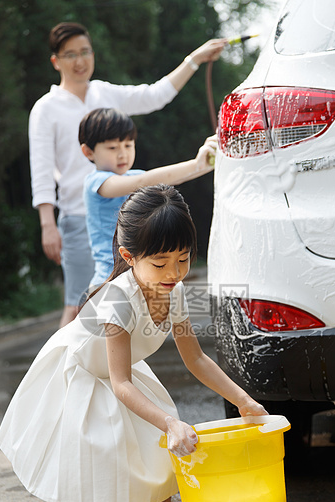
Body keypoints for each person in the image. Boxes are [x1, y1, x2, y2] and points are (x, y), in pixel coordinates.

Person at [0, 184, 268, 502]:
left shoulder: (177, 292)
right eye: (160, 263)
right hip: (86, 373)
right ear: (129, 257)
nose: (174, 273)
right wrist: (169, 421)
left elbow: (196, 359)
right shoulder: (117, 301)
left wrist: (243, 399)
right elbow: (118, 382)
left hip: (119, 375)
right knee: (103, 451)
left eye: (182, 259)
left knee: (164, 446)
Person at [29, 21, 227, 327]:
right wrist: (47, 224)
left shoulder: (105, 93)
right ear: (56, 61)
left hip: (127, 218)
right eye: (70, 55)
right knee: (78, 305)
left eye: (85, 51)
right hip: (79, 216)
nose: (80, 61)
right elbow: (41, 169)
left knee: (126, 307)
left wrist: (194, 60)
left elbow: (154, 96)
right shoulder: (46, 108)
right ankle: (60, 369)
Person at [79, 107, 216, 288]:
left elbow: (173, 178)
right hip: (109, 280)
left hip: (139, 276)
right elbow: (144, 180)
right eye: (112, 147)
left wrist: (206, 164)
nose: (122, 154)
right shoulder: (96, 182)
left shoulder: (134, 176)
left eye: (128, 145)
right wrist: (196, 164)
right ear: (88, 152)